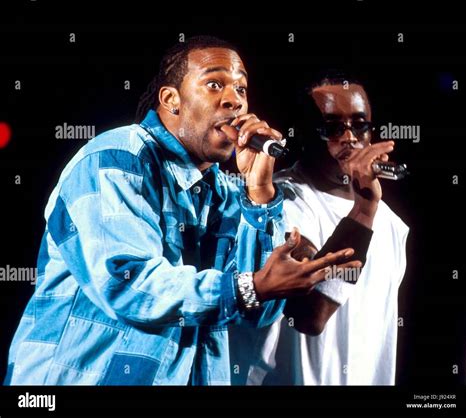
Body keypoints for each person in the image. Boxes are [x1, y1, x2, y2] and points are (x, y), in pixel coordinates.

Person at [4, 37, 357, 386]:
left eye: (241, 88)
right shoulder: (116, 159)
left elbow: (258, 311)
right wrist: (248, 288)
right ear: (171, 100)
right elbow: (129, 285)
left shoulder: (226, 192)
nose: (234, 100)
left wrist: (260, 193)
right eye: (215, 84)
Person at [230, 71, 409, 385]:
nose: (349, 137)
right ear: (304, 134)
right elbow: (310, 315)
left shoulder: (393, 224)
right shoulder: (277, 201)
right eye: (333, 128)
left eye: (359, 125)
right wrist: (364, 209)